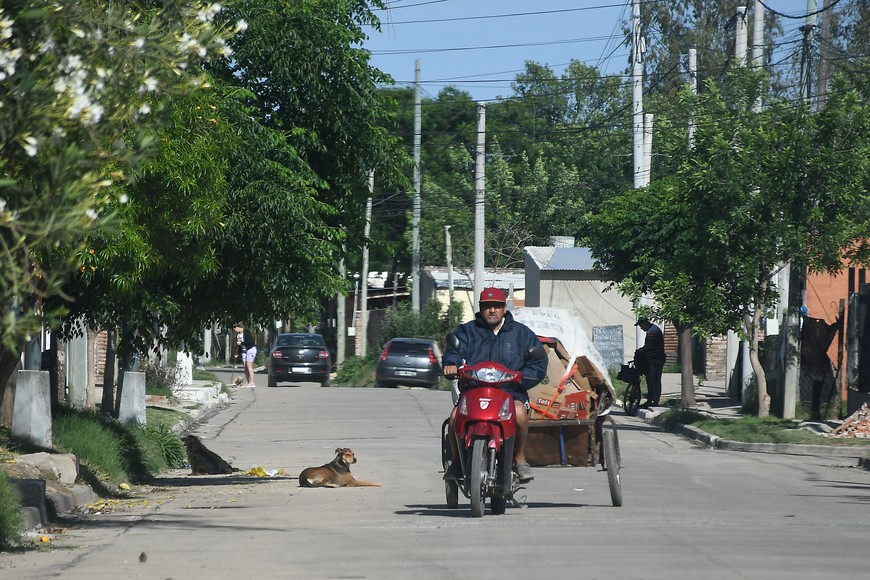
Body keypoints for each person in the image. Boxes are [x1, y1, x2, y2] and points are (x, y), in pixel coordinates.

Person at [442, 287, 548, 483]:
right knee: (454, 416)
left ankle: (519, 459)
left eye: (497, 306)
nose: (492, 310)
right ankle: (457, 464)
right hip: (474, 391)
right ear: (481, 309)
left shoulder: (521, 334)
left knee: (519, 414)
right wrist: (450, 364)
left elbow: (538, 361)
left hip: (511, 393)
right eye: (487, 306)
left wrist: (523, 377)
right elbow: (454, 351)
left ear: (504, 309)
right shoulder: (467, 331)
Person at [635, 318, 666, 407]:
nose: (641, 328)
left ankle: (653, 400)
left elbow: (650, 345)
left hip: (655, 359)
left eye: (641, 326)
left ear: (645, 323)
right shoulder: (654, 329)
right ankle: (653, 400)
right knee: (654, 380)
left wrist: (641, 350)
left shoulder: (652, 331)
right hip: (656, 359)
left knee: (653, 380)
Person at [233, 323, 257, 387]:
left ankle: (252, 382)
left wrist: (241, 342)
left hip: (250, 349)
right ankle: (248, 381)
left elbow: (250, 342)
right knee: (245, 366)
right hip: (244, 351)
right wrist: (237, 353)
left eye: (235, 329)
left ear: (238, 327)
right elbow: (239, 346)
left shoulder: (246, 332)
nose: (235, 331)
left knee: (249, 365)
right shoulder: (238, 335)